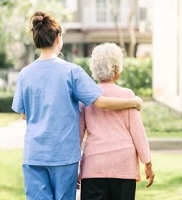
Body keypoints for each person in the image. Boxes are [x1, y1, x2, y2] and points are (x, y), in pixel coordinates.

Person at [11, 11, 142, 200]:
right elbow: (101, 101)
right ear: (58, 38)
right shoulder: (72, 72)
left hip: (34, 156)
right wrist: (133, 102)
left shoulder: (25, 74)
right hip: (64, 157)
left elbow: (24, 114)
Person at [78, 43, 155, 200]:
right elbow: (138, 133)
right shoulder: (128, 96)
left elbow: (77, 136)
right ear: (117, 70)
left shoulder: (86, 98)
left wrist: (73, 169)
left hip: (94, 166)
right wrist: (147, 163)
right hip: (124, 166)